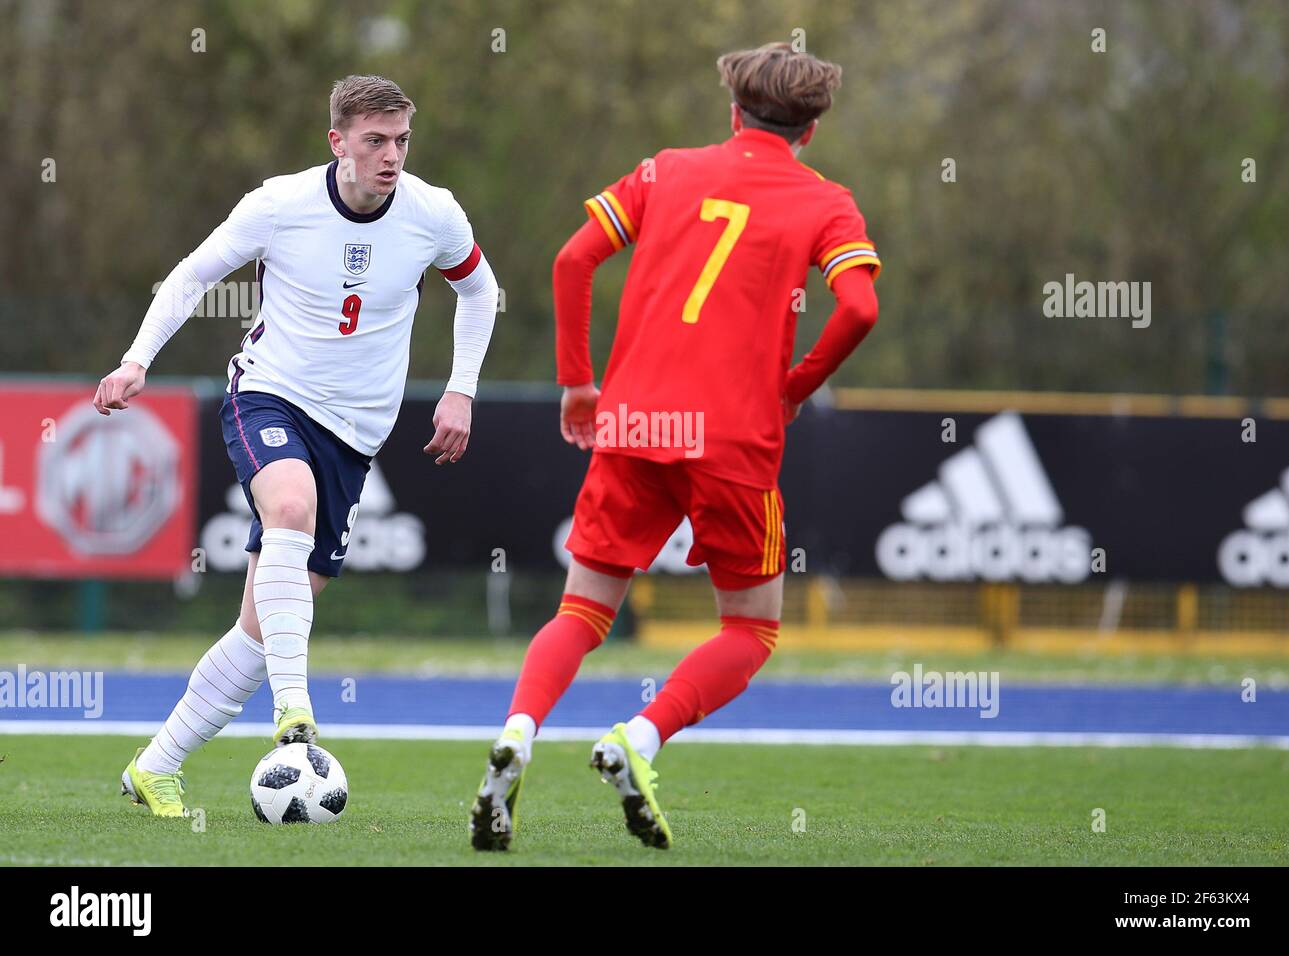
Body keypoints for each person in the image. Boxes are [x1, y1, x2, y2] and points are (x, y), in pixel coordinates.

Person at [470, 43, 880, 851]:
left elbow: (572, 258)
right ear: (813, 128)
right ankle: (640, 739)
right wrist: (794, 387)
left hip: (633, 423)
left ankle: (518, 730)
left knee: (583, 611)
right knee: (751, 631)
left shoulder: (665, 171)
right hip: (733, 438)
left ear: (733, 111)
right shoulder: (827, 201)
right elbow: (860, 309)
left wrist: (579, 383)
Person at [94, 74, 499, 817]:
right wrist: (136, 358)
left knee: (263, 627)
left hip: (355, 434)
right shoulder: (279, 204)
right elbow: (192, 276)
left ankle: (155, 767)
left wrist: (461, 387)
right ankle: (296, 715)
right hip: (269, 394)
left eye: (401, 140)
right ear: (336, 141)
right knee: (289, 506)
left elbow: (479, 289)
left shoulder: (432, 213)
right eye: (374, 141)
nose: (391, 156)